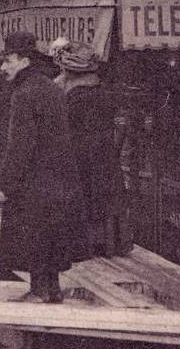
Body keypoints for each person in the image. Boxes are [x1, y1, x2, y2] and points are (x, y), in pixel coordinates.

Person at [0, 31, 89, 303]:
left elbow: (20, 144)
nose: (4, 66)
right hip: (60, 178)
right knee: (52, 233)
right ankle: (53, 289)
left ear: (24, 61)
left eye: (8, 60)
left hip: (35, 179)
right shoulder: (51, 87)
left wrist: (5, 183)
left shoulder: (24, 94)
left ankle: (37, 291)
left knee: (32, 232)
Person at [53, 40, 132, 257]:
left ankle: (84, 246)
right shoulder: (103, 93)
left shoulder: (71, 97)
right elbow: (120, 125)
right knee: (105, 197)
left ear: (69, 72)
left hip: (78, 153)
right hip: (105, 154)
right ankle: (110, 244)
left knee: (83, 194)